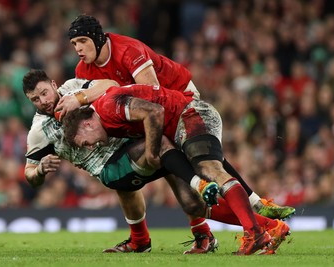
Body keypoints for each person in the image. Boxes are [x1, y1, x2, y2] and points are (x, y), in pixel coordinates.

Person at [56, 14, 295, 221]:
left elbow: (152, 95)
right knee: (185, 173)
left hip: (179, 96)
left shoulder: (128, 50)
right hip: (148, 111)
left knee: (199, 161)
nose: (78, 48)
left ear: (98, 39)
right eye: (74, 43)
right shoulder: (81, 71)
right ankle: (238, 215)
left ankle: (255, 207)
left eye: (83, 41)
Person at [24, 69, 290, 255]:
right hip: (110, 166)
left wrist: (80, 98)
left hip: (128, 142)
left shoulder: (74, 88)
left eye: (44, 93)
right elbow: (28, 173)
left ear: (53, 83)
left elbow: (106, 85)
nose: (43, 102)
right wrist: (39, 170)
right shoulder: (39, 131)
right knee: (163, 147)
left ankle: (256, 227)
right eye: (35, 99)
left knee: (190, 198)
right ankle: (238, 217)